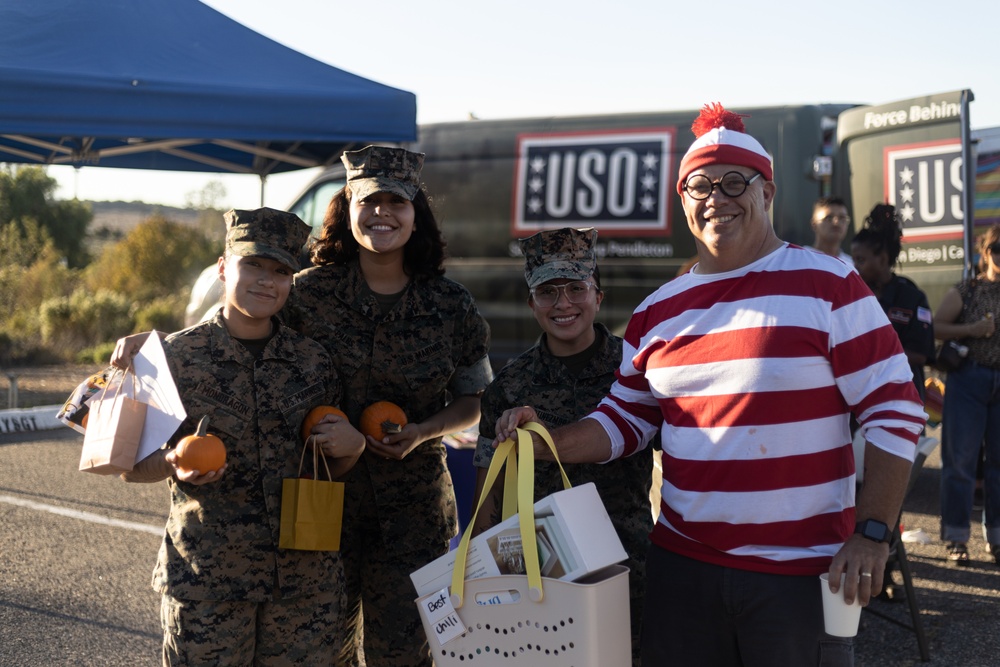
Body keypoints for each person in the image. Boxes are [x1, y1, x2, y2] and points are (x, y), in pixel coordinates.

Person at [493, 103, 926, 666]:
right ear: (683, 200)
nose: (716, 197)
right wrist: (544, 439)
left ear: (767, 193)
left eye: (734, 182)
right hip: (683, 571)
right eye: (699, 185)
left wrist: (872, 533)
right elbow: (625, 419)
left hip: (798, 575)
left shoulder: (829, 283)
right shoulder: (659, 310)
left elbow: (896, 409)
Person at [118, 208, 366, 665]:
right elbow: (130, 468)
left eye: (280, 271)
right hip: (208, 582)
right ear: (222, 267)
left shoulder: (313, 361)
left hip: (304, 588)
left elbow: (328, 464)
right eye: (252, 264)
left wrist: (354, 448)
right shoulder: (175, 358)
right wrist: (173, 461)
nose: (266, 281)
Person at [282, 145, 493, 667]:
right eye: (369, 200)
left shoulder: (450, 304)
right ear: (347, 206)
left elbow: (473, 401)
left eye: (397, 202)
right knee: (316, 651)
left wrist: (423, 430)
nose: (382, 213)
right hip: (319, 502)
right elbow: (239, 336)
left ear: (415, 213)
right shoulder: (304, 297)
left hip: (412, 514)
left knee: (404, 655)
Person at [471, 227, 652, 667]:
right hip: (540, 574)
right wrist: (478, 573)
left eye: (576, 288)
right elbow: (486, 496)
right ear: (532, 303)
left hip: (628, 568)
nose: (564, 304)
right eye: (548, 292)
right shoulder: (509, 386)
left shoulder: (634, 372)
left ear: (599, 296)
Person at [932, 224, 1000, 566]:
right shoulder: (968, 290)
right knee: (960, 463)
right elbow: (934, 326)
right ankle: (957, 538)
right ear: (986, 253)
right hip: (969, 380)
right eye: (998, 248)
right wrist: (972, 330)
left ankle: (996, 539)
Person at [850, 203, 935, 400]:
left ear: (882, 259)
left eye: (860, 260)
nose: (855, 267)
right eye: (854, 260)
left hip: (902, 396)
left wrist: (871, 357)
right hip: (859, 398)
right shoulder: (850, 297)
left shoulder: (912, 297)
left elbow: (920, 354)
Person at [809, 195, 854, 265]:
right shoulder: (802, 259)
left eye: (842, 218)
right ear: (814, 224)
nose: (836, 223)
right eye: (829, 218)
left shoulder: (851, 265)